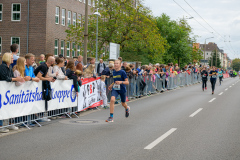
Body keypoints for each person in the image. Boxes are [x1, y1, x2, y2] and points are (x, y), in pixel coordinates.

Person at [0, 53, 24, 133]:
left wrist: (16, 78)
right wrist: (15, 79)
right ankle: (1, 125)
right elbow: (5, 78)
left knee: (9, 107)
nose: (13, 59)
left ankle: (10, 123)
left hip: (8, 90)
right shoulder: (2, 67)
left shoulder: (9, 66)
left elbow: (11, 77)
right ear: (7, 58)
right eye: (11, 58)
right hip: (3, 90)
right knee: (2, 108)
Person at [34, 56, 56, 121]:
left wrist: (51, 79)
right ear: (51, 62)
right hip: (38, 85)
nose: (54, 63)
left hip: (42, 85)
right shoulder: (43, 67)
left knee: (44, 100)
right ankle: (39, 117)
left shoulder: (46, 66)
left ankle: (41, 116)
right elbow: (38, 76)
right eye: (54, 61)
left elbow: (46, 75)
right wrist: (47, 79)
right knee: (42, 100)